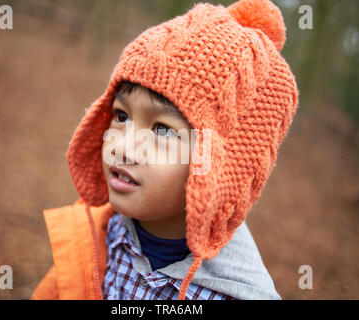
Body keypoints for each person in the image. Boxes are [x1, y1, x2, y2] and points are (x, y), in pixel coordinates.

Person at [31, 0, 299, 300]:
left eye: (162, 129)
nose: (122, 147)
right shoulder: (94, 238)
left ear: (222, 167)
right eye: (121, 115)